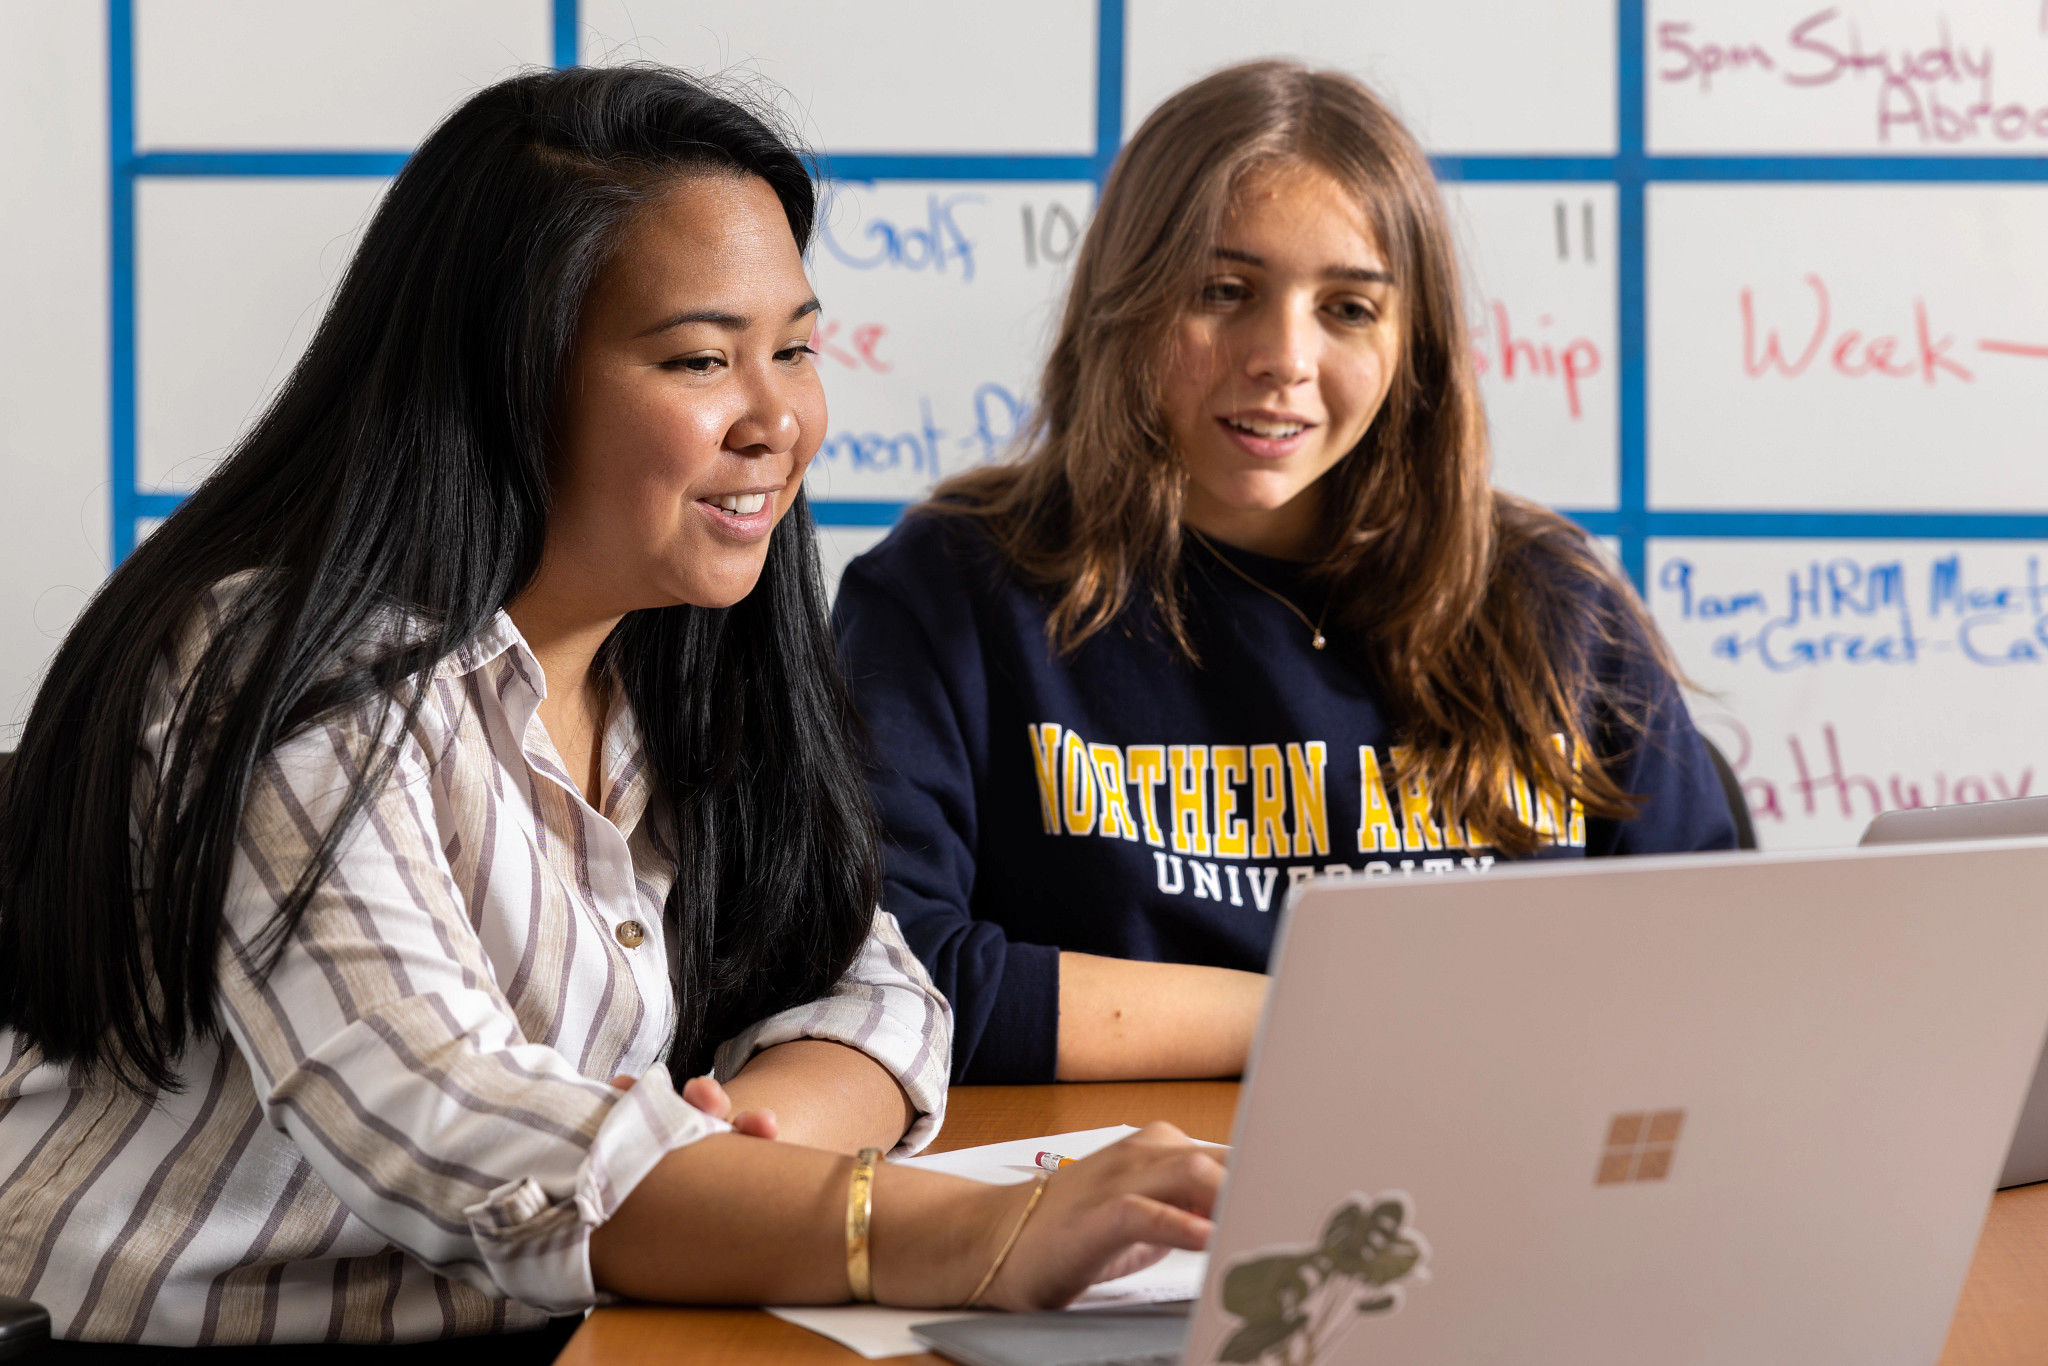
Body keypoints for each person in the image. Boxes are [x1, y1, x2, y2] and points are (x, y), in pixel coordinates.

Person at [0, 66, 1220, 1357]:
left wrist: (754, 1157)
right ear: (503, 383)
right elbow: (451, 1119)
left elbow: (876, 988)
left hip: (566, 1320)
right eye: (701, 359)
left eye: (794, 349)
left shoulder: (692, 662)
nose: (779, 421)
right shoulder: (284, 666)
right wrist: (964, 1227)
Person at [832, 61, 1738, 1089]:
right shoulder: (948, 594)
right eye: (1223, 291)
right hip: (1109, 1218)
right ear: (1124, 301)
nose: (1282, 357)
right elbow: (894, 991)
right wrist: (1336, 1012)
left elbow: (1714, 976)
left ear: (1414, 346)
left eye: (1348, 308)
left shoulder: (1553, 607)